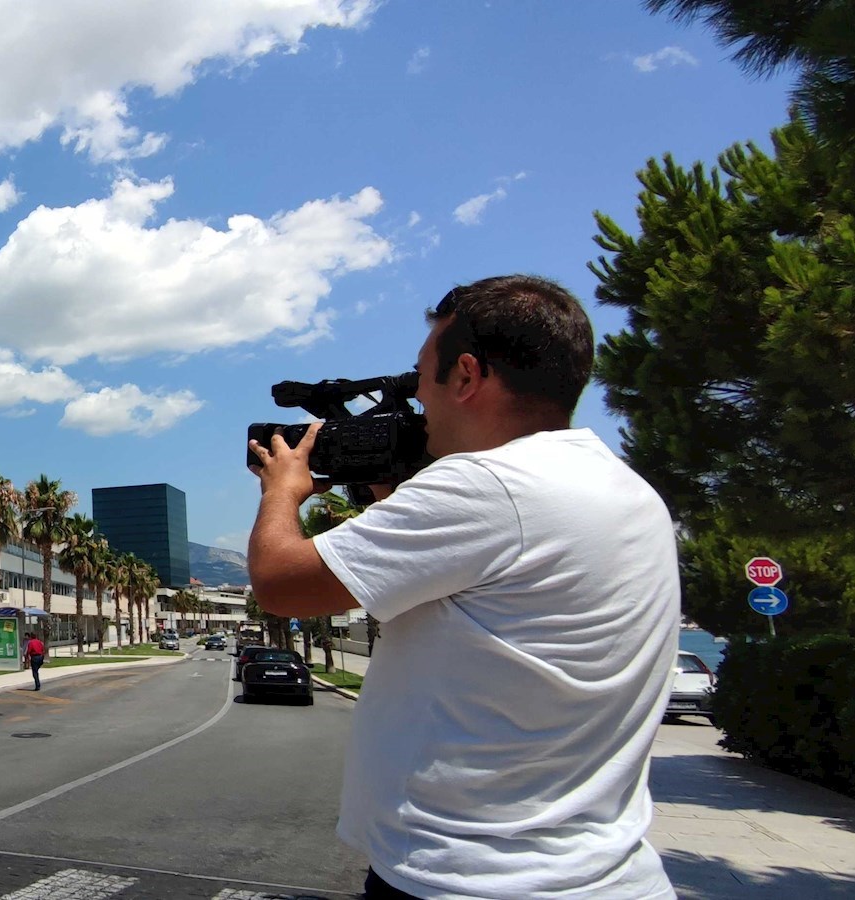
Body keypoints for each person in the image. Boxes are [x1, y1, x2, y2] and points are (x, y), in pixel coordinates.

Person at [246, 275, 679, 900]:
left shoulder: (490, 487)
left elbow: (282, 585)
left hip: (471, 879)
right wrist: (391, 496)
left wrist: (283, 488)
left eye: (421, 378)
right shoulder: (626, 491)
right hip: (602, 874)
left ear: (468, 375)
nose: (417, 400)